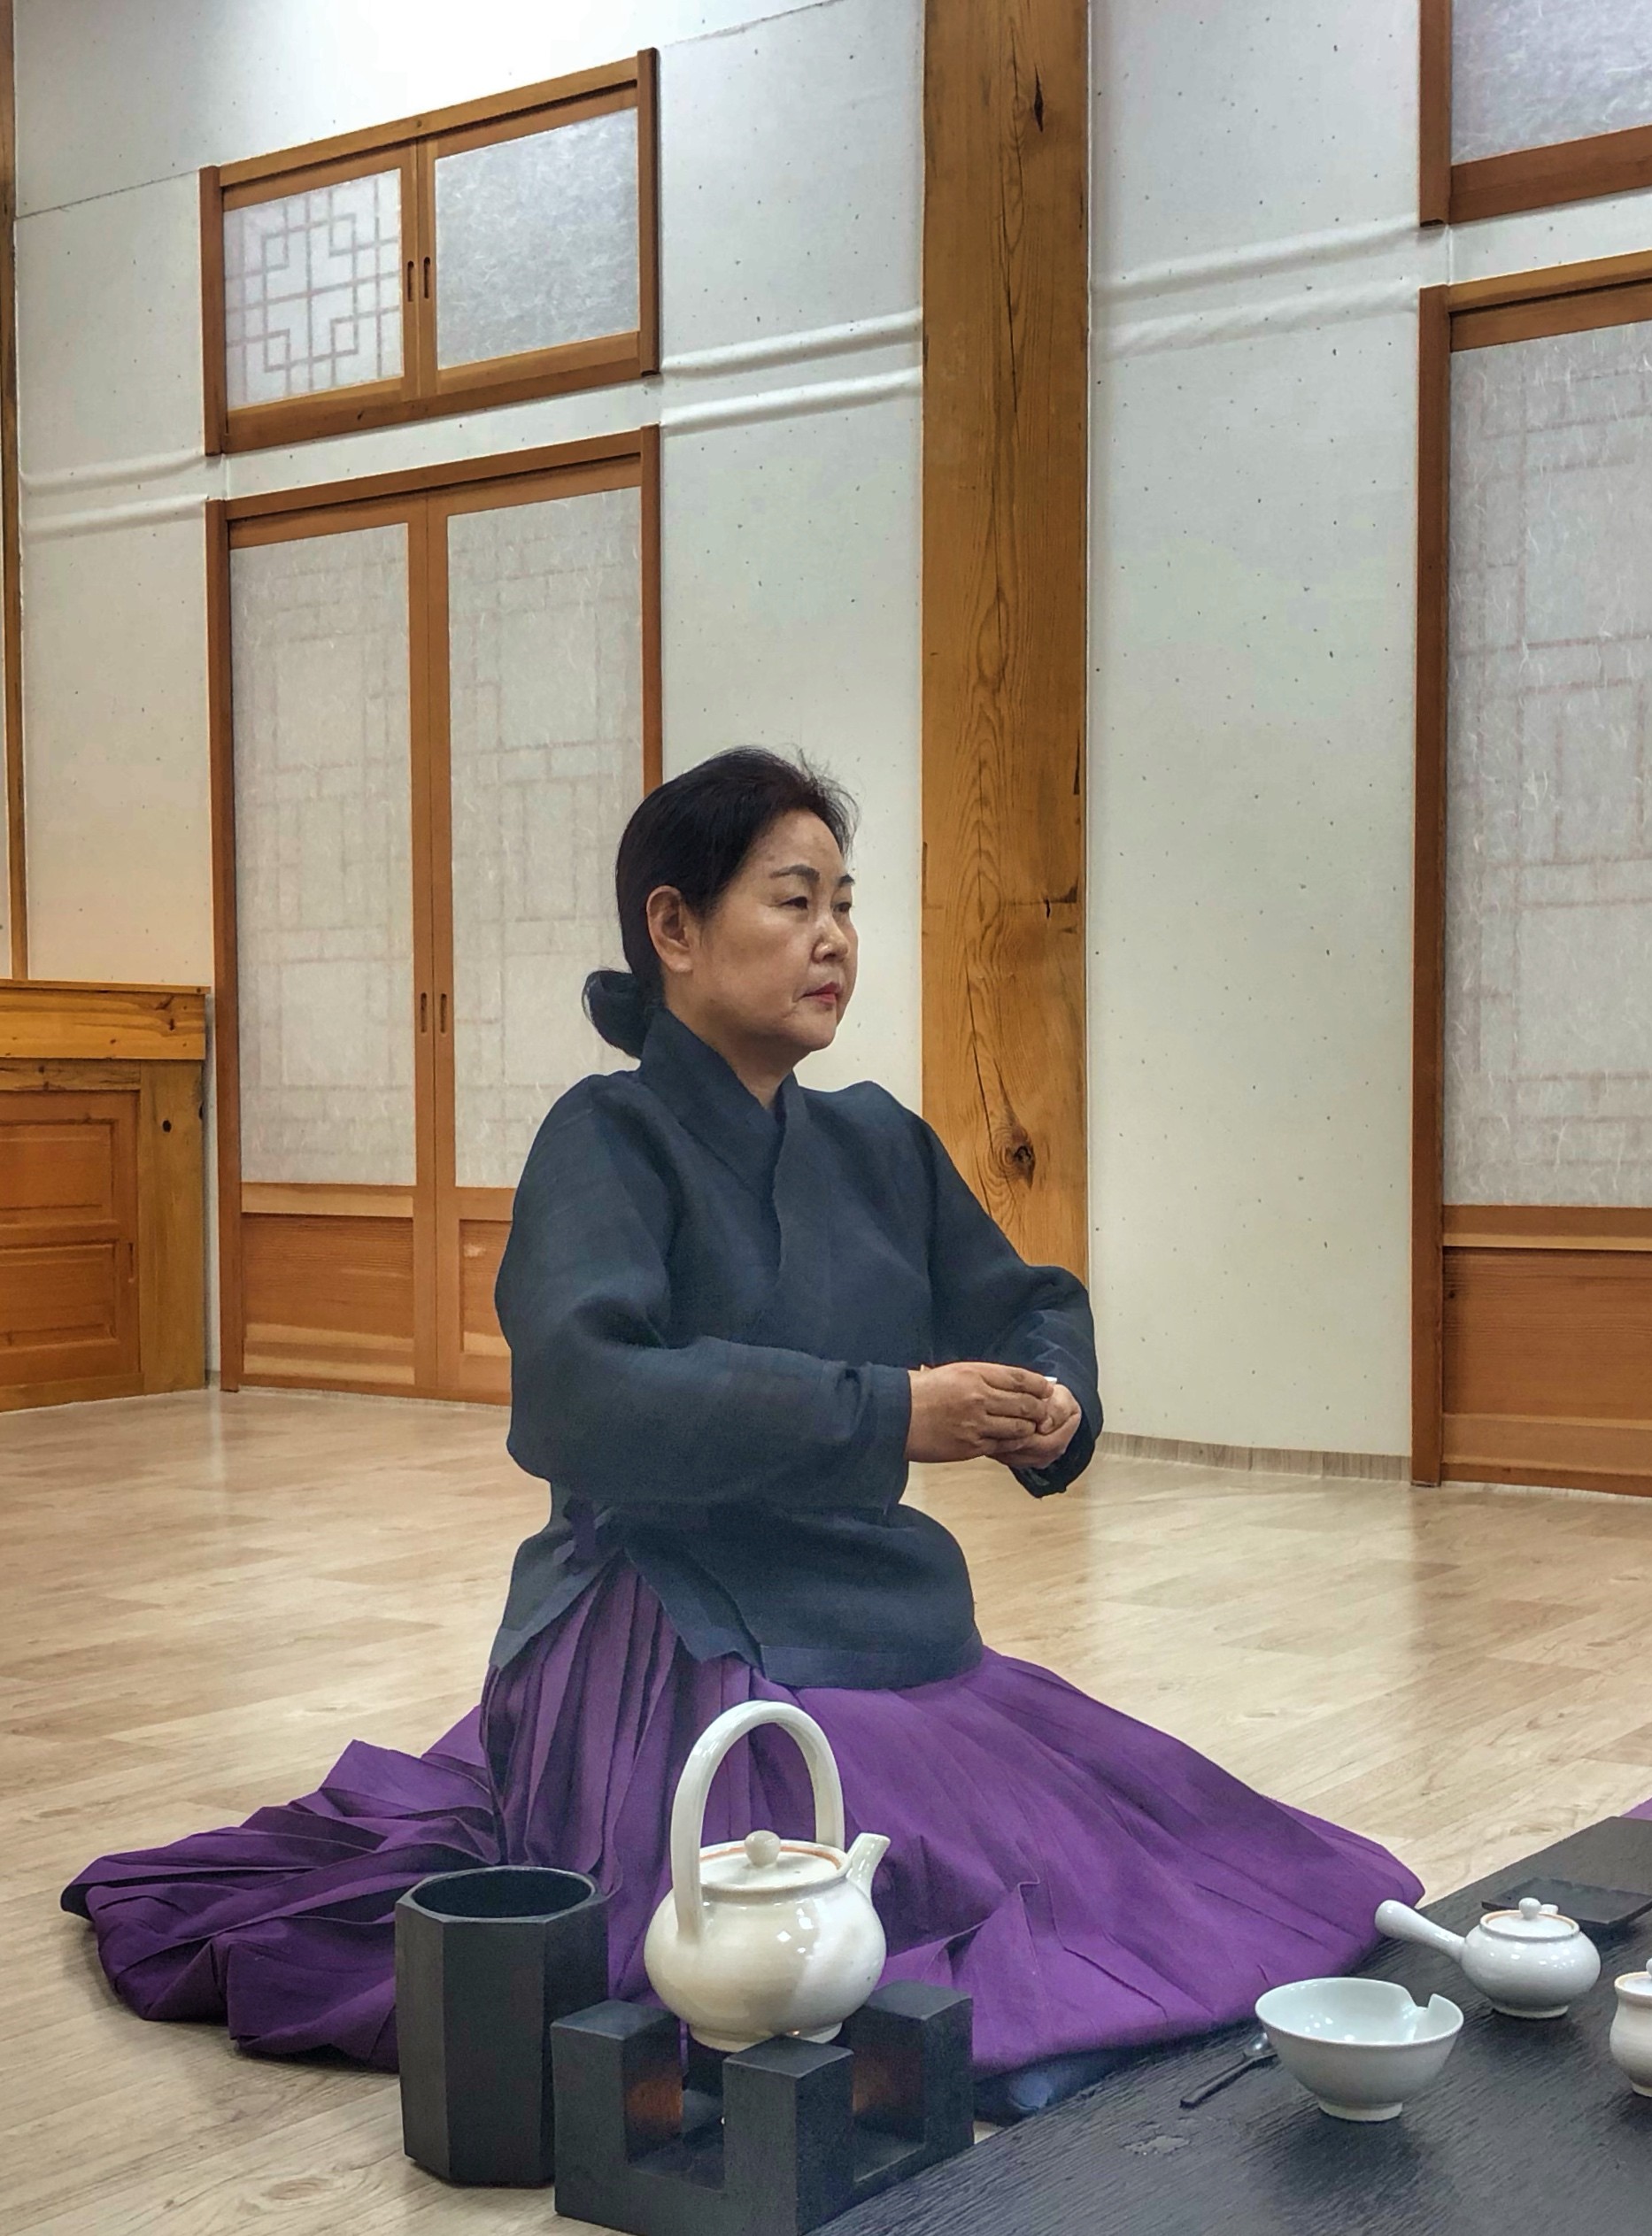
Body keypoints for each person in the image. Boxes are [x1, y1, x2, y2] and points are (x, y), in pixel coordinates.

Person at [63, 748, 1420, 2115]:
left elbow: (1025, 1301)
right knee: (869, 1881)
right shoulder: (608, 1136)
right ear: (674, 926)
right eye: (793, 899)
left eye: (845, 904)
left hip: (878, 1611)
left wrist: (1048, 1393)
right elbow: (585, 1394)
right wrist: (892, 1410)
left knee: (1128, 1841)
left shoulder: (876, 1142)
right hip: (658, 1623)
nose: (833, 938)